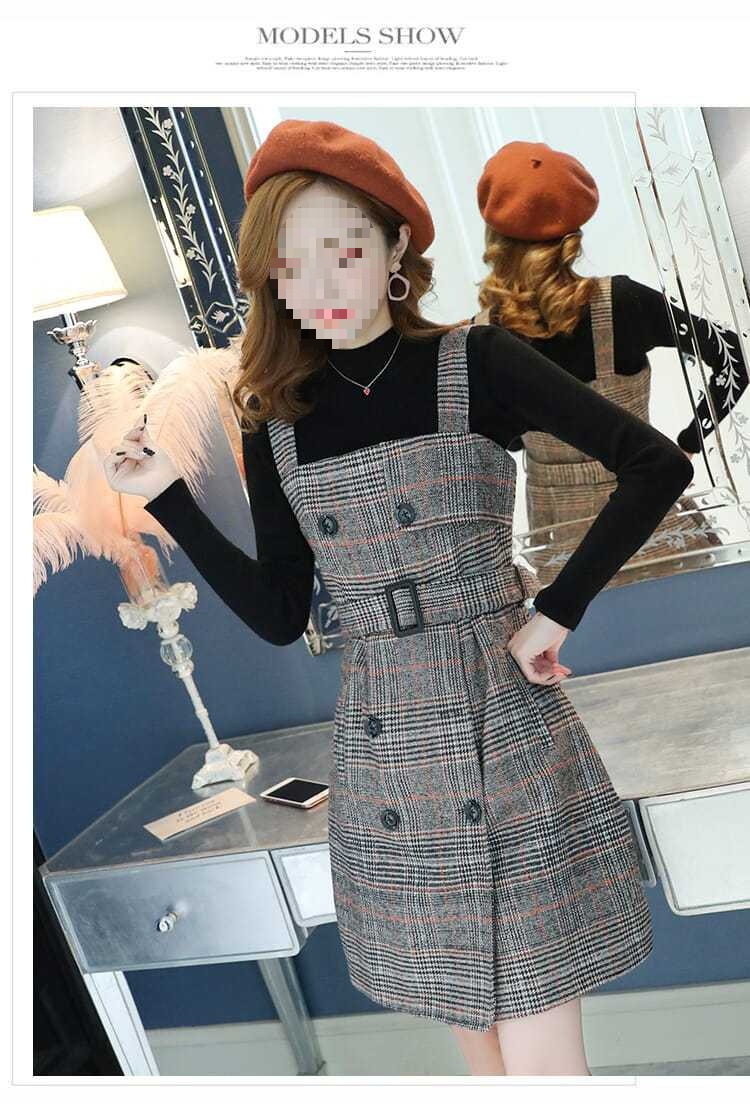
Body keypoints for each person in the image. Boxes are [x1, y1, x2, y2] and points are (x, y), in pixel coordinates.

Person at [101, 119, 694, 1076]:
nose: (320, 285)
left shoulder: (477, 361)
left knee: (546, 1062)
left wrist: (556, 609)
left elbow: (654, 463)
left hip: (506, 726)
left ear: (393, 253)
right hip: (389, 761)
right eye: (292, 265)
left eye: (344, 251)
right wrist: (167, 497)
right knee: (482, 1054)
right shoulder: (277, 418)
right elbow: (280, 614)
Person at [471, 139, 744, 587]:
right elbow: (734, 358)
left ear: (494, 237)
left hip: (561, 551)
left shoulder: (483, 336)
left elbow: (489, 441)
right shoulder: (622, 302)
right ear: (574, 231)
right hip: (656, 533)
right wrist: (688, 441)